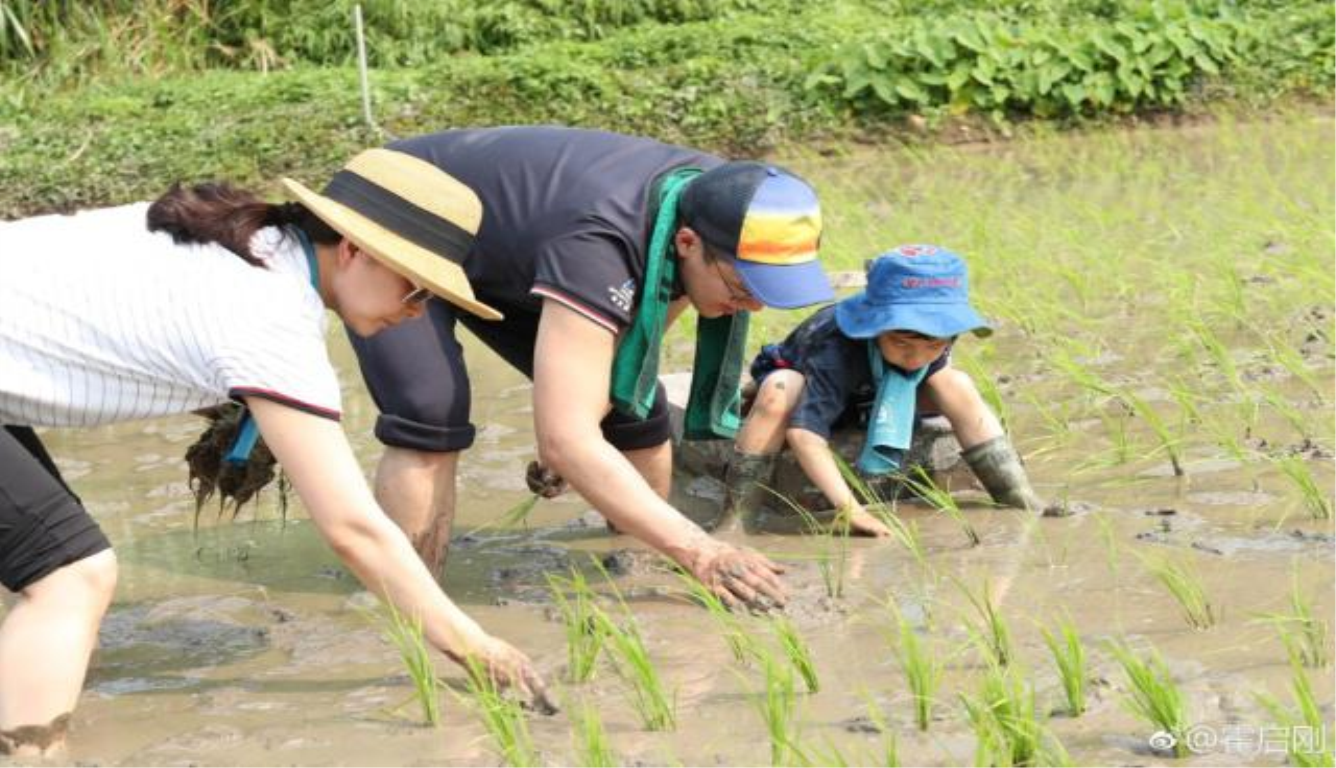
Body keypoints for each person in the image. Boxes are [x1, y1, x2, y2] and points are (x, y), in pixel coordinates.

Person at [0, 148, 551, 757]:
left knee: (51, 574)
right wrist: (476, 647)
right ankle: (27, 752)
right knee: (71, 577)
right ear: (354, 250)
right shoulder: (272, 316)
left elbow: (125, 328)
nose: (416, 313)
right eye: (416, 289)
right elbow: (354, 530)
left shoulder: (243, 239)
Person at [345, 126, 835, 609]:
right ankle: (408, 606)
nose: (750, 307)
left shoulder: (719, 201)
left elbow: (626, 362)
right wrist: (701, 548)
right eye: (741, 288)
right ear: (687, 244)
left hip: (514, 246)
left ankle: (638, 574)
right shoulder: (603, 242)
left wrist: (571, 435)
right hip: (403, 212)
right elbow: (569, 438)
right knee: (430, 411)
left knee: (633, 406)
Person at [724, 244, 1048, 536]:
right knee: (780, 389)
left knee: (955, 382)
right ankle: (737, 517)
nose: (916, 357)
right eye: (901, 343)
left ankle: (1018, 496)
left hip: (879, 392)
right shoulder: (835, 349)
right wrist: (851, 510)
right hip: (817, 388)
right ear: (874, 325)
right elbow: (804, 436)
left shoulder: (936, 337)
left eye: (933, 345)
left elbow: (932, 366)